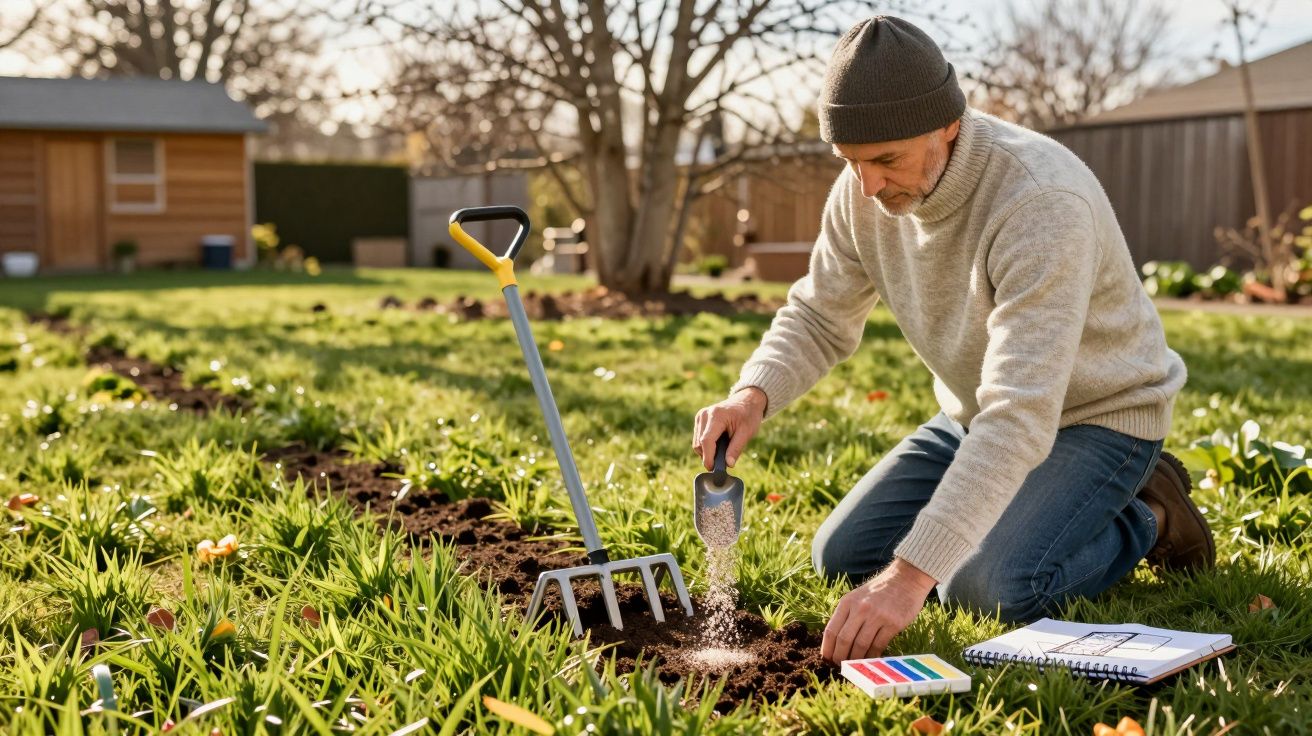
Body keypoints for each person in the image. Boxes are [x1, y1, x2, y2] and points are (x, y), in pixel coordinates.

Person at [690, 15, 1214, 666]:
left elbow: (1021, 411)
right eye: (850, 162)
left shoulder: (1039, 200)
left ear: (948, 123)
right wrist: (753, 394)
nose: (868, 186)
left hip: (1097, 418)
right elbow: (821, 313)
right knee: (843, 558)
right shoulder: (863, 193)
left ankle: (1149, 517)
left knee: (985, 589)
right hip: (974, 415)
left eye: (886, 161)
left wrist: (912, 578)